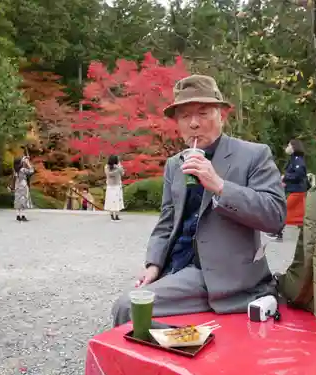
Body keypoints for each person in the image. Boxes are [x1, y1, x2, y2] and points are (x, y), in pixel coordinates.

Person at [111, 75, 287, 326]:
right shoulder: (175, 164)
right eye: (185, 116)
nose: (194, 123)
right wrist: (153, 263)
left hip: (220, 275)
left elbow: (275, 217)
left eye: (203, 113)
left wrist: (220, 186)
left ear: (222, 116)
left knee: (127, 307)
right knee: (141, 315)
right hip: (176, 267)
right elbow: (167, 221)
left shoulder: (254, 155)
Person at [266, 139, 308, 241]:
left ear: (294, 147)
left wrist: (285, 177)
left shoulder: (298, 160)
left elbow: (299, 175)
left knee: (284, 211)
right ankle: (301, 235)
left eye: (289, 145)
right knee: (297, 214)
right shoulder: (293, 159)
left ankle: (277, 232)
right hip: (295, 190)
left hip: (297, 191)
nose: (287, 148)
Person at [13, 156, 34, 222]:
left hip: (17, 186)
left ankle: (18, 215)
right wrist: (28, 163)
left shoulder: (15, 170)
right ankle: (23, 216)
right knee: (23, 200)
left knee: (18, 200)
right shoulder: (23, 170)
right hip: (23, 186)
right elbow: (31, 171)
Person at [104, 155, 125, 221]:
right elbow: (122, 173)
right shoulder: (118, 168)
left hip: (110, 186)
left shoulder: (106, 167)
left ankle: (112, 216)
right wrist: (119, 168)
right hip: (116, 186)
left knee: (110, 200)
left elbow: (108, 174)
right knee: (117, 200)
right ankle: (116, 216)